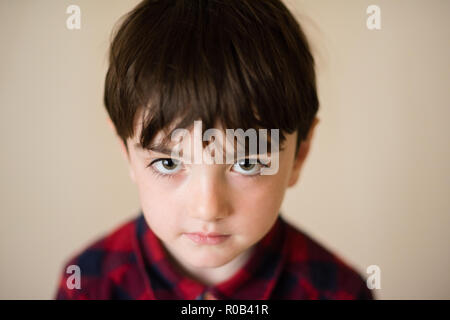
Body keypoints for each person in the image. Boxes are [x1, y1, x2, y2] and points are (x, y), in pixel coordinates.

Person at [55, 0, 374, 300]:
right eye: (168, 163)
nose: (207, 209)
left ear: (299, 155)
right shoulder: (87, 284)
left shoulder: (339, 291)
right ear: (126, 153)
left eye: (247, 163)